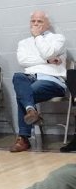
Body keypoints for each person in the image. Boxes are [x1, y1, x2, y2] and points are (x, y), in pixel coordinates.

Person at [10, 10, 69, 153]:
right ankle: (31, 111)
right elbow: (23, 61)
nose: (36, 24)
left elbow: (48, 52)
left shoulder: (58, 39)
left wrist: (37, 37)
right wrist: (47, 61)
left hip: (52, 79)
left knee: (23, 95)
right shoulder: (23, 42)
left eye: (40, 21)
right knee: (18, 77)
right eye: (33, 21)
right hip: (29, 78)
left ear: (48, 24)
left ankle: (23, 138)